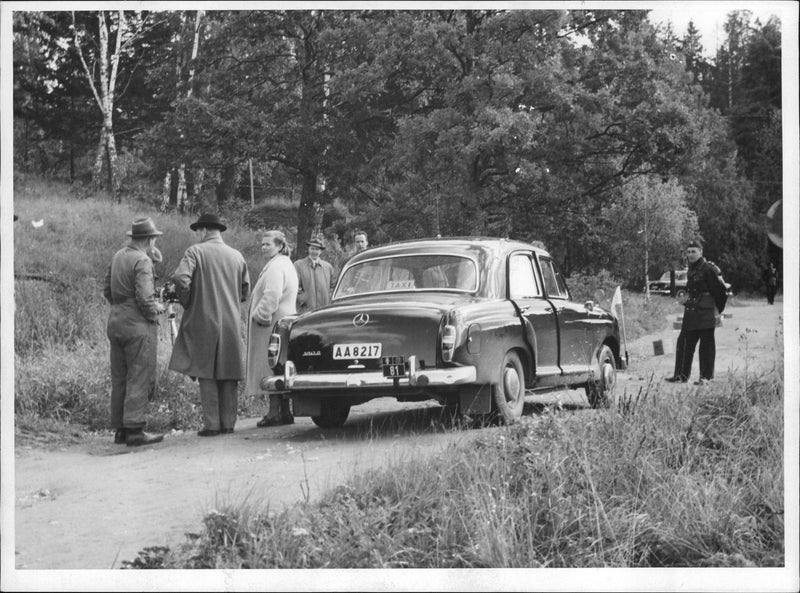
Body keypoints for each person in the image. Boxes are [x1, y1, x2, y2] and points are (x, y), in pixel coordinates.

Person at [169, 213, 251, 436]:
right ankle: (228, 424)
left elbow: (180, 279)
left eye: (197, 231)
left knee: (207, 372)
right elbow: (245, 290)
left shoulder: (195, 251)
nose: (197, 235)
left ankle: (212, 425)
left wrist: (188, 302)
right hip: (231, 322)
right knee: (229, 371)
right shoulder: (237, 256)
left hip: (204, 319)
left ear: (204, 231)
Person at [102, 217, 166, 446]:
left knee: (120, 377)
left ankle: (120, 429)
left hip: (116, 319)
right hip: (137, 323)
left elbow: (106, 288)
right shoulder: (142, 261)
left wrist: (121, 306)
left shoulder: (118, 255)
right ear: (150, 239)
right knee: (140, 374)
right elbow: (145, 297)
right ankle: (135, 429)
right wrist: (154, 312)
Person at [245, 230, 299, 428]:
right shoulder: (285, 264)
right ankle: (285, 412)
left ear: (279, 246)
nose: (263, 247)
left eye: (268, 244)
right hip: (284, 321)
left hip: (272, 324)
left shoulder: (276, 267)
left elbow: (271, 296)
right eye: (262, 244)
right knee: (280, 365)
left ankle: (274, 412)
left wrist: (259, 315)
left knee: (271, 366)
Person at [666, 240, 728, 385]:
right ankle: (681, 376)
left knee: (706, 348)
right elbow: (693, 291)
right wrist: (684, 299)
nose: (690, 254)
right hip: (691, 313)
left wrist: (717, 311)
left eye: (693, 251)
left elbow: (720, 292)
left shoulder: (709, 269)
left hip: (705, 314)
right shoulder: (691, 269)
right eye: (688, 252)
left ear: (701, 252)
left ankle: (706, 378)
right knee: (684, 344)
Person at [294, 235, 335, 314]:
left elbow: (333, 287)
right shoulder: (298, 265)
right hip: (305, 310)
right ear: (308, 249)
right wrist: (303, 299)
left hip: (324, 310)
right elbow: (294, 286)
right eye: (312, 248)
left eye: (317, 249)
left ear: (321, 251)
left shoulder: (328, 267)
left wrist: (329, 300)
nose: (314, 252)